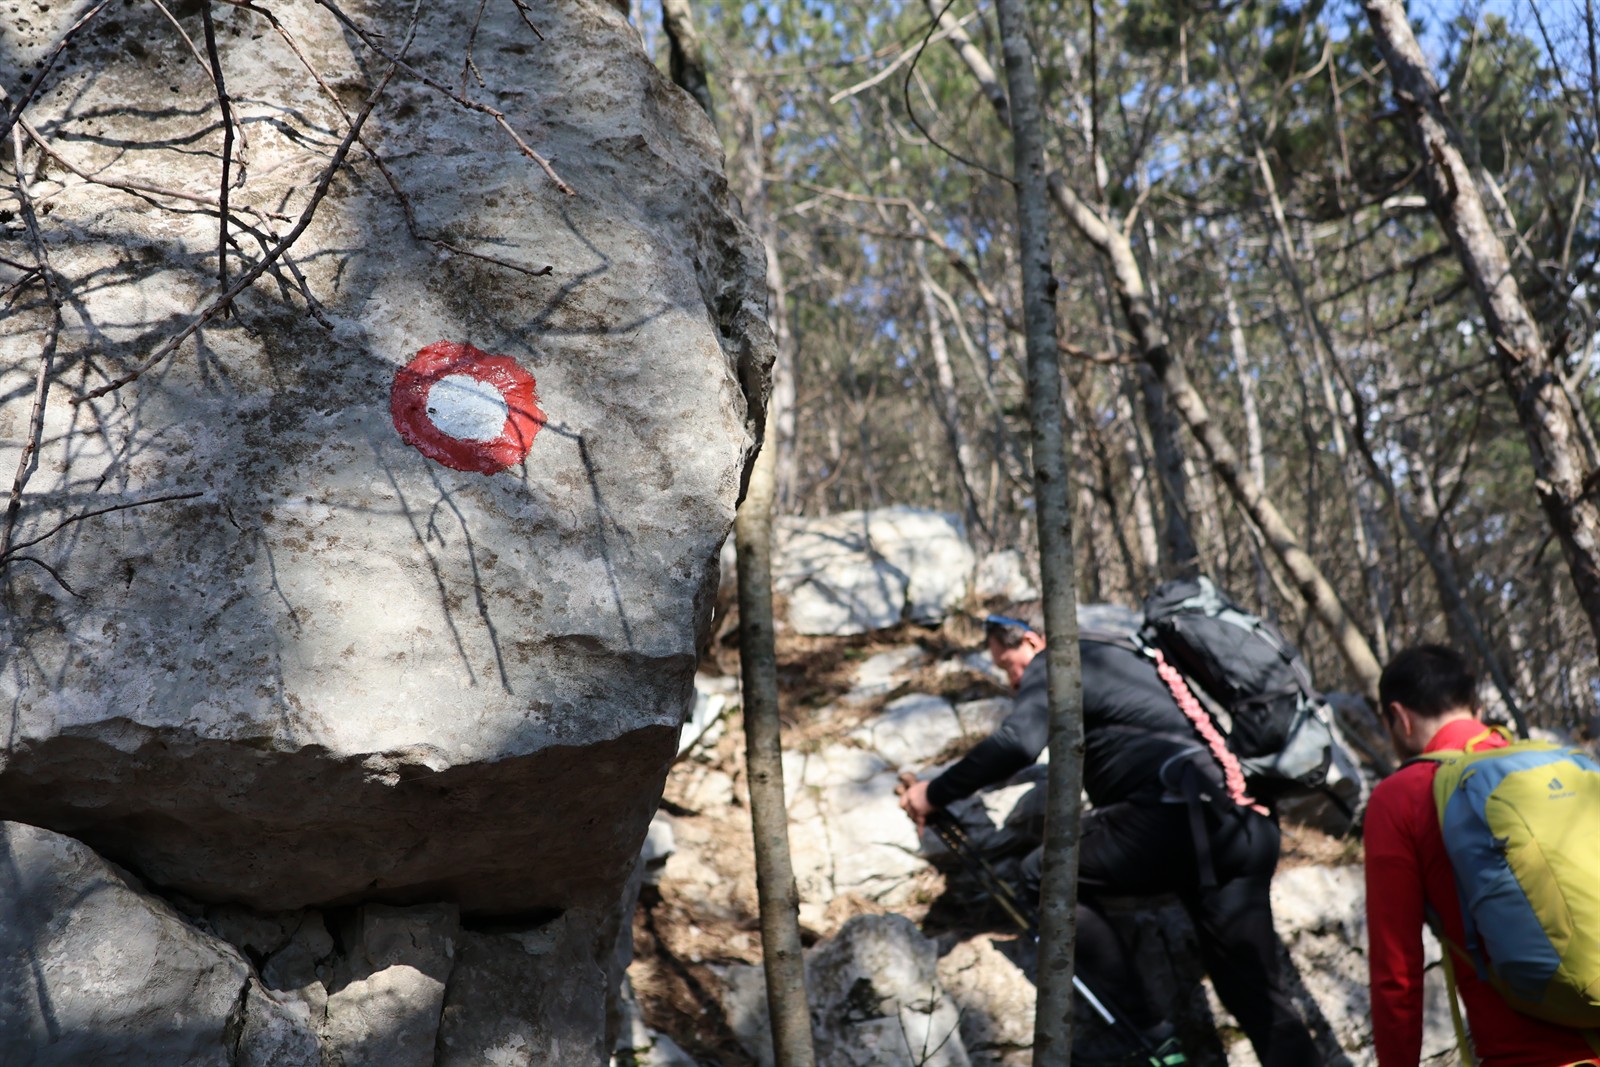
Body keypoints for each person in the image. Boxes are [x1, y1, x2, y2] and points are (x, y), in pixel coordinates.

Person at [899, 610, 1323, 1067]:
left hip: (1174, 818)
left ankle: (1151, 1034)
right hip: (1244, 820)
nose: (1013, 680)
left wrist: (932, 793)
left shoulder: (1062, 660)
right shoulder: (1130, 653)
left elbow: (1018, 742)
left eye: (1008, 664)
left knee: (1046, 874)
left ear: (1031, 640)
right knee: (1255, 992)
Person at [1364, 644, 1598, 1066]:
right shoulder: (1557, 767)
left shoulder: (1400, 798)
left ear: (1399, 717)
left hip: (1527, 1057)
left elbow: (1397, 975)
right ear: (1477, 706)